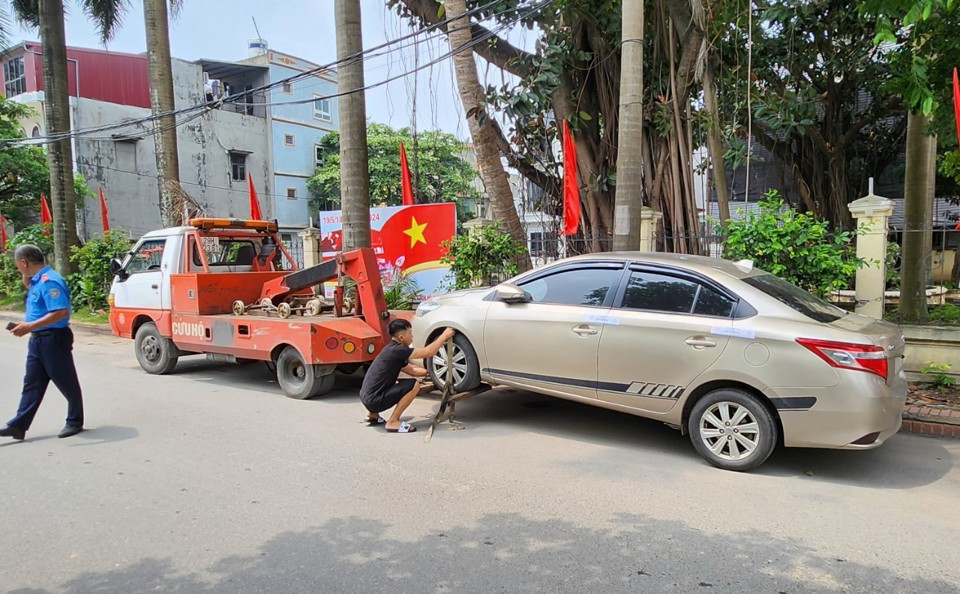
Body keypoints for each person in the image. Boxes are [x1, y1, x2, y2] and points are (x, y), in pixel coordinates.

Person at [0, 244, 84, 441]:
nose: (17, 268)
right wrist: (29, 326)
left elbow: (60, 312)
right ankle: (19, 425)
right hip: (37, 340)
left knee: (66, 381)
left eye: (18, 265)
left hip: (53, 339)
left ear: (24, 262)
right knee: (32, 383)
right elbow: (31, 289)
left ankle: (75, 421)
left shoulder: (49, 281)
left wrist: (29, 326)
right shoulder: (37, 280)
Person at [360, 320, 456, 433]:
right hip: (374, 400)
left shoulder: (390, 350)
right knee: (414, 385)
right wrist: (445, 335)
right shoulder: (399, 350)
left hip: (366, 398)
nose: (412, 336)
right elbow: (428, 352)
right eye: (410, 333)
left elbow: (413, 371)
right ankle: (393, 421)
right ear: (401, 337)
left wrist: (434, 373)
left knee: (400, 383)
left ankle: (373, 415)